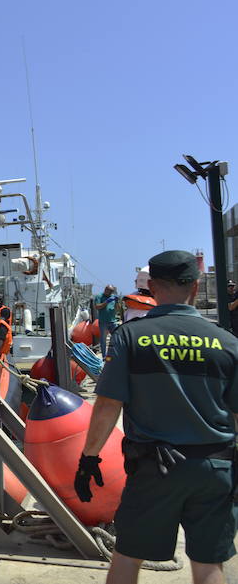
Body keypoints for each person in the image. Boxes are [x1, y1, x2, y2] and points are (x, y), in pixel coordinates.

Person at [76, 250, 238, 584]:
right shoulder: (227, 342)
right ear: (194, 286)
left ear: (151, 286)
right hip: (215, 468)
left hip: (154, 470)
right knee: (209, 565)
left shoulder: (130, 337)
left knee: (127, 556)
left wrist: (88, 458)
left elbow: (108, 405)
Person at [94, 284, 119, 357]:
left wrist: (117, 302)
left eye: (110, 291)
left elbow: (117, 310)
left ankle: (115, 353)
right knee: (103, 339)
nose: (108, 291)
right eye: (107, 289)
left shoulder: (112, 297)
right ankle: (104, 356)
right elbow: (97, 307)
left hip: (112, 321)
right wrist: (106, 302)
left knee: (117, 337)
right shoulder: (99, 296)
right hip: (103, 321)